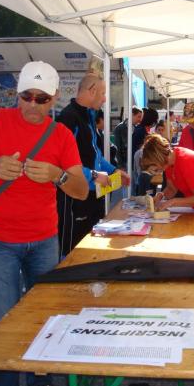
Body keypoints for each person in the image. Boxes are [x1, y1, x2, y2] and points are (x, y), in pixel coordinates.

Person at [0, 61, 89, 386]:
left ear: (54, 98)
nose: (32, 104)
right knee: (3, 321)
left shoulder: (59, 135)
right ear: (17, 95)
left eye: (41, 98)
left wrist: (57, 175)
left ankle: (39, 380)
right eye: (26, 96)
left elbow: (81, 190)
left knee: (44, 317)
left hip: (44, 239)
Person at [56, 73, 129, 258]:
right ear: (92, 91)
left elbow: (95, 154)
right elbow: (60, 163)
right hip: (74, 197)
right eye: (103, 93)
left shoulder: (89, 115)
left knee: (92, 244)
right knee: (73, 251)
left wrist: (115, 171)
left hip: (93, 194)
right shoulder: (68, 117)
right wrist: (94, 175)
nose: (105, 99)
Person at [141, 134, 194, 261]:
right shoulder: (169, 164)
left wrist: (173, 202)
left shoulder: (186, 161)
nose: (157, 171)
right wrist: (160, 196)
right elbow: (172, 189)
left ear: (158, 157)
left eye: (155, 168)